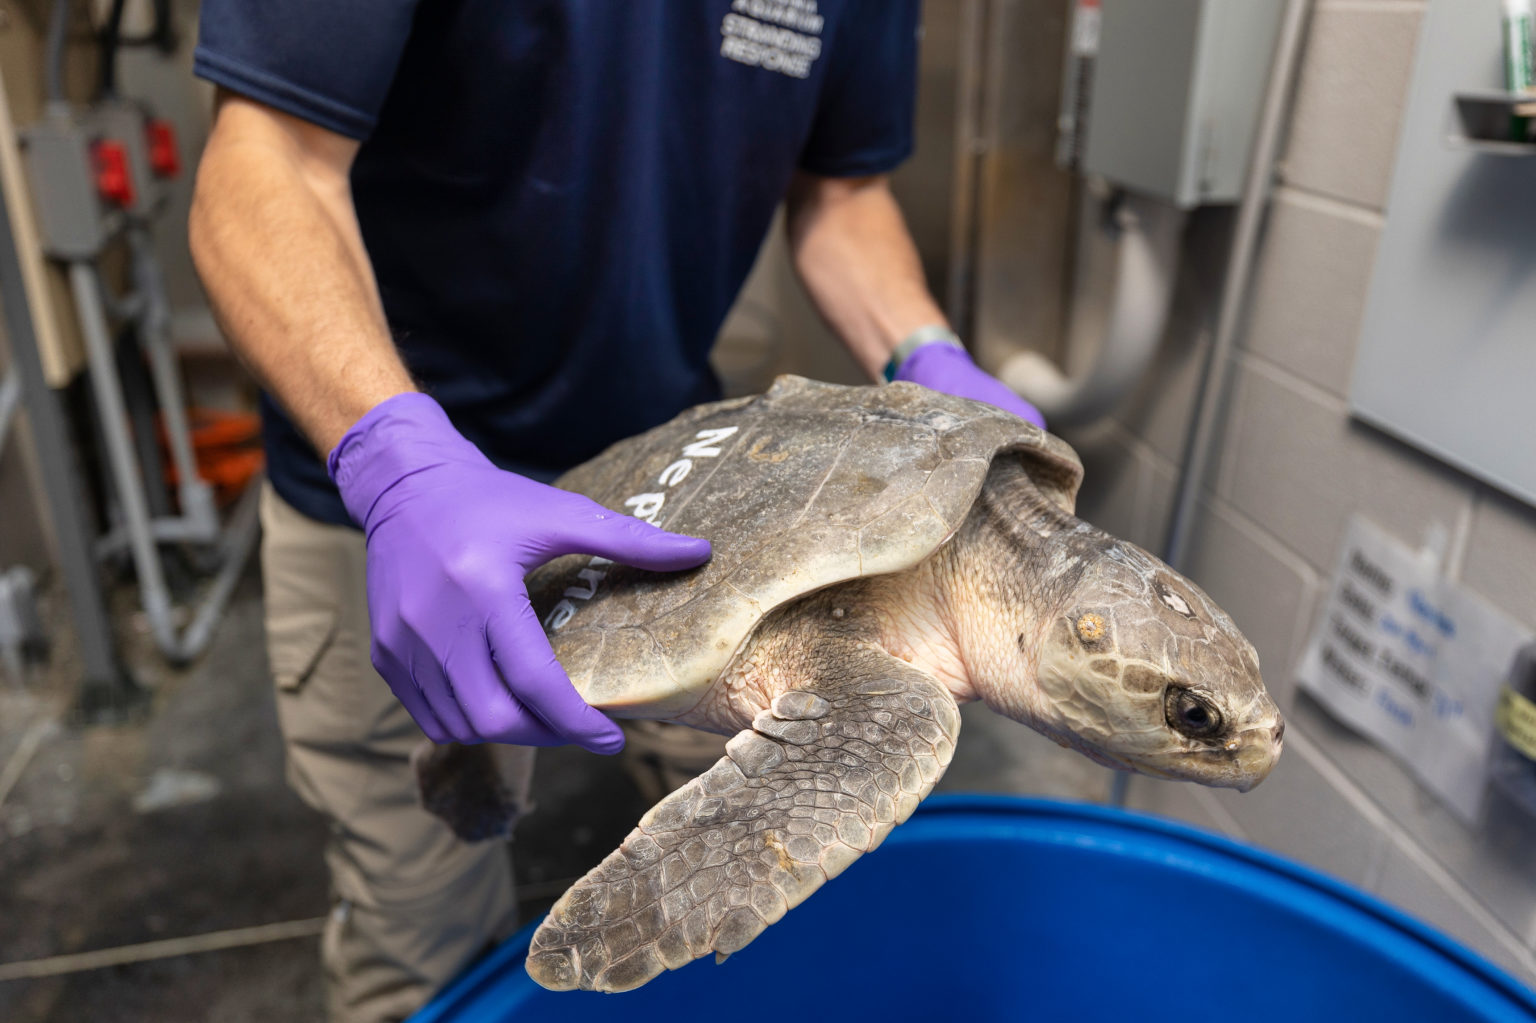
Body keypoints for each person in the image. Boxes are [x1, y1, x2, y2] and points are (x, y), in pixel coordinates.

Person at [187, 3, 1044, 1020]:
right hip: (397, 496)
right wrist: (396, 465)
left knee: (786, 898)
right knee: (418, 941)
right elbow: (267, 158)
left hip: (687, 495)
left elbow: (842, 192)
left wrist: (922, 350)